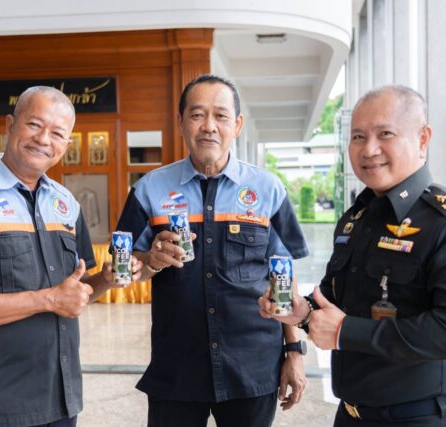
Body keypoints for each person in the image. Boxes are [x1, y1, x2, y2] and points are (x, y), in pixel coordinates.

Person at [260, 85, 446, 426]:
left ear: (423, 138)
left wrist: (346, 332)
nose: (369, 149)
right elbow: (334, 301)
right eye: (358, 136)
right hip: (351, 415)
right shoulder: (357, 219)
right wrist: (302, 313)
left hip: (422, 418)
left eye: (385, 133)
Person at [0, 86, 142, 427]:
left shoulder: (66, 203)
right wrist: (48, 299)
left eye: (57, 133)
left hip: (62, 396)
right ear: (10, 125)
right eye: (34, 124)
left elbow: (73, 293)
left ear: (66, 145)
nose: (43, 139)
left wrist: (105, 281)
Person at [115, 74, 309, 427]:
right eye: (197, 115)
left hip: (252, 366)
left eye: (220, 115)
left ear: (237, 125)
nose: (209, 126)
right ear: (181, 122)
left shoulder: (268, 189)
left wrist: (294, 351)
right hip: (177, 366)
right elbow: (123, 270)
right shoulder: (149, 189)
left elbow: (284, 273)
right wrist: (151, 261)